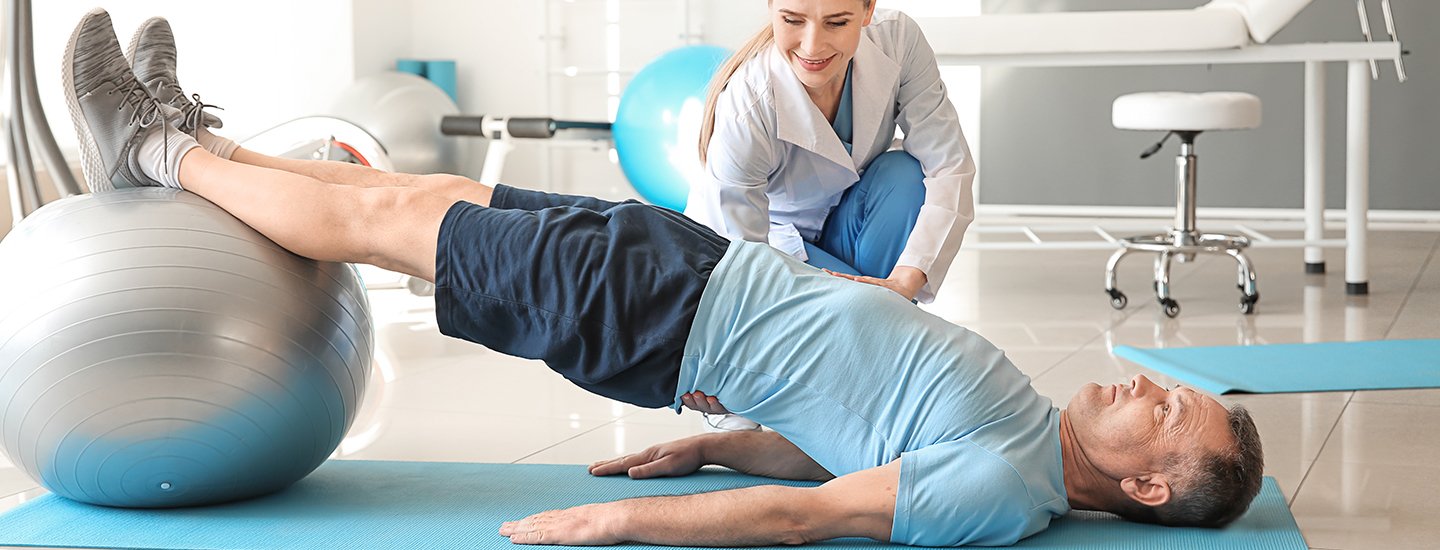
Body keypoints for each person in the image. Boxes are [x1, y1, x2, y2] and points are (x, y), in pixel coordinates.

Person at [63, 10, 1263, 547]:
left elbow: (817, 515)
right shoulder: (1020, 427)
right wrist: (711, 449)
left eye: (1169, 411)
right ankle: (201, 137)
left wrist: (626, 521)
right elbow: (839, 445)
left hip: (661, 319)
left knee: (382, 222)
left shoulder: (1005, 492)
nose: (1149, 387)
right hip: (695, 266)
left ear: (1148, 488)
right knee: (418, 197)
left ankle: (152, 149)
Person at [692, 0, 976, 431]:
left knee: (904, 174)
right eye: (792, 20)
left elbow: (949, 166)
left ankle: (867, 353)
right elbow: (737, 263)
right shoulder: (749, 102)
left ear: (867, 11)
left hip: (852, 222)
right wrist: (733, 398)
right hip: (773, 249)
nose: (812, 44)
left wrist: (905, 283)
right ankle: (863, 361)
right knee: (842, 343)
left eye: (837, 22)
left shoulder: (897, 39)